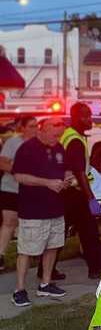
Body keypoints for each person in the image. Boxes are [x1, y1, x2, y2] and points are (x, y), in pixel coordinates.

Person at [11, 118, 69, 307]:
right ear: (41, 131)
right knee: (27, 250)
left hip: (55, 208)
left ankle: (45, 283)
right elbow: (19, 176)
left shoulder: (59, 148)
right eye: (54, 135)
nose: (57, 139)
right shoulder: (27, 149)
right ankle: (19, 289)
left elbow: (63, 170)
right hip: (33, 210)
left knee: (53, 246)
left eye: (59, 135)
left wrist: (67, 179)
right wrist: (47, 183)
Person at [58, 103, 101, 280]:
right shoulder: (75, 140)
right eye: (85, 116)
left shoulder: (69, 135)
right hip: (75, 193)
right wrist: (91, 198)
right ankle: (97, 268)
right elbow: (79, 172)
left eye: (90, 115)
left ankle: (45, 268)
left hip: (65, 191)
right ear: (76, 117)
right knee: (89, 232)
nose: (89, 119)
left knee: (59, 232)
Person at [0, 115, 38, 272]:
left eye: (36, 126)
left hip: (30, 191)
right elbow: (2, 163)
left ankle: (26, 255)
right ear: (22, 128)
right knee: (9, 222)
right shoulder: (13, 142)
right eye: (31, 126)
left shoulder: (39, 144)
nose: (35, 129)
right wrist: (19, 171)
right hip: (11, 188)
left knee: (27, 224)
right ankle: (0, 255)